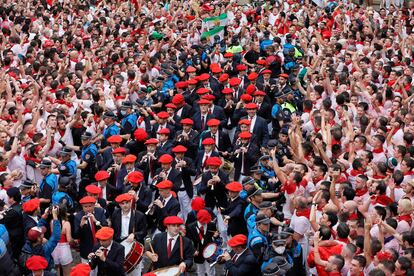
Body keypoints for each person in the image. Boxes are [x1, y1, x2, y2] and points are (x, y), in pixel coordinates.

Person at [20, 206, 61, 273]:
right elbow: (56, 236)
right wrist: (55, 217)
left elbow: (37, 229)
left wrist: (44, 217)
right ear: (39, 238)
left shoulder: (27, 245)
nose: (43, 234)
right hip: (46, 271)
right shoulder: (45, 249)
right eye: (42, 234)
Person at [74, 196, 107, 263]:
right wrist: (81, 225)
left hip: (101, 247)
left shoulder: (100, 211)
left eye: (90, 206)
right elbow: (76, 236)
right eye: (85, 207)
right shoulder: (78, 216)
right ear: (82, 207)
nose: (88, 209)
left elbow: (105, 228)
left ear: (94, 205)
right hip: (86, 249)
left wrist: (96, 221)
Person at [0, 187, 24, 259]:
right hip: (20, 232)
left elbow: (3, 221)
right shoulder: (21, 205)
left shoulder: (12, 212)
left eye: (8, 197)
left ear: (12, 198)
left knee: (16, 254)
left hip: (14, 236)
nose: (7, 198)